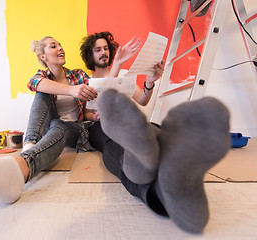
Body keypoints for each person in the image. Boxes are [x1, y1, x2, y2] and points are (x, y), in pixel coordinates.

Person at [0, 35, 138, 204]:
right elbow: (33, 83)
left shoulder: (79, 75)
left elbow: (100, 92)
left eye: (60, 45)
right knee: (43, 92)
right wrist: (71, 91)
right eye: (53, 46)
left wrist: (94, 106)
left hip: (76, 128)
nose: (60, 48)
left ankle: (21, 162)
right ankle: (29, 147)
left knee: (59, 123)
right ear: (43, 56)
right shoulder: (44, 78)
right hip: (52, 128)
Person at [80, 31, 230, 233]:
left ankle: (165, 158)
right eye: (98, 49)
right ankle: (158, 173)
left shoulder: (124, 76)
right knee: (114, 144)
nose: (103, 52)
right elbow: (87, 114)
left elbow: (142, 100)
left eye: (106, 48)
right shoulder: (86, 80)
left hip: (130, 125)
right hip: (100, 126)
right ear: (91, 55)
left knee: (151, 132)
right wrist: (95, 116)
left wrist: (150, 82)